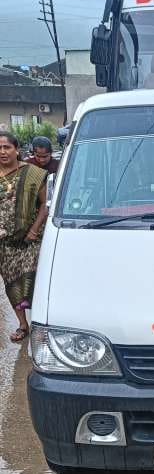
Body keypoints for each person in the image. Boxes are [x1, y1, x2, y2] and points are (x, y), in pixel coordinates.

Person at [0, 132, 48, 342]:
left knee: (32, 279)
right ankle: (23, 324)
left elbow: (45, 205)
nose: (2, 152)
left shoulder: (33, 173)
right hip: (5, 244)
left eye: (7, 147)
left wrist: (33, 231)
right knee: (12, 284)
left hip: (30, 240)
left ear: (16, 149)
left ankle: (43, 323)